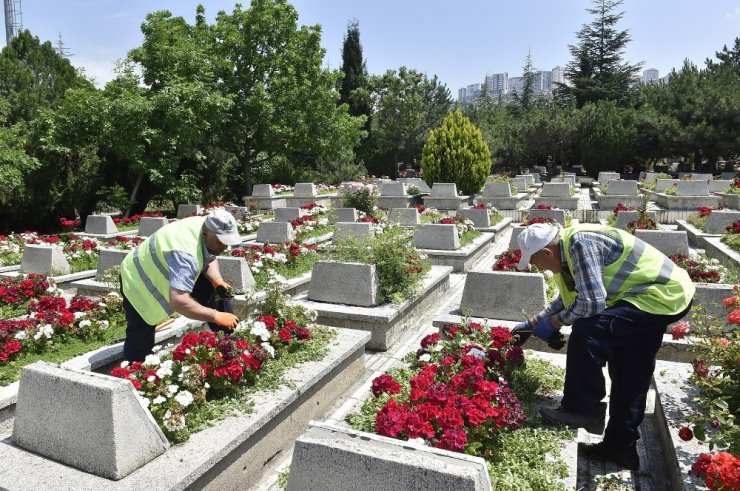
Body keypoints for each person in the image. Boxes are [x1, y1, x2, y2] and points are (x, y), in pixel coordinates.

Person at [511, 223, 694, 470]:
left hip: (658, 295)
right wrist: (532, 323)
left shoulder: (580, 244)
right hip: (654, 298)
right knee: (631, 370)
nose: (537, 267)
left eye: (535, 262)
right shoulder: (565, 255)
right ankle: (621, 448)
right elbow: (569, 298)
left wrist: (554, 323)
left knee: (588, 332)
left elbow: (591, 303)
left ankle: (582, 408)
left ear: (547, 253)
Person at [119, 209, 242, 362]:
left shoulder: (207, 225)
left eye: (227, 243)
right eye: (220, 242)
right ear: (206, 234)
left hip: (169, 267)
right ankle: (133, 374)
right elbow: (179, 301)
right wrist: (215, 316)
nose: (224, 248)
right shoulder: (185, 255)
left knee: (217, 291)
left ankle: (229, 345)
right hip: (138, 281)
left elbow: (209, 254)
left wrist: (216, 279)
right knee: (140, 335)